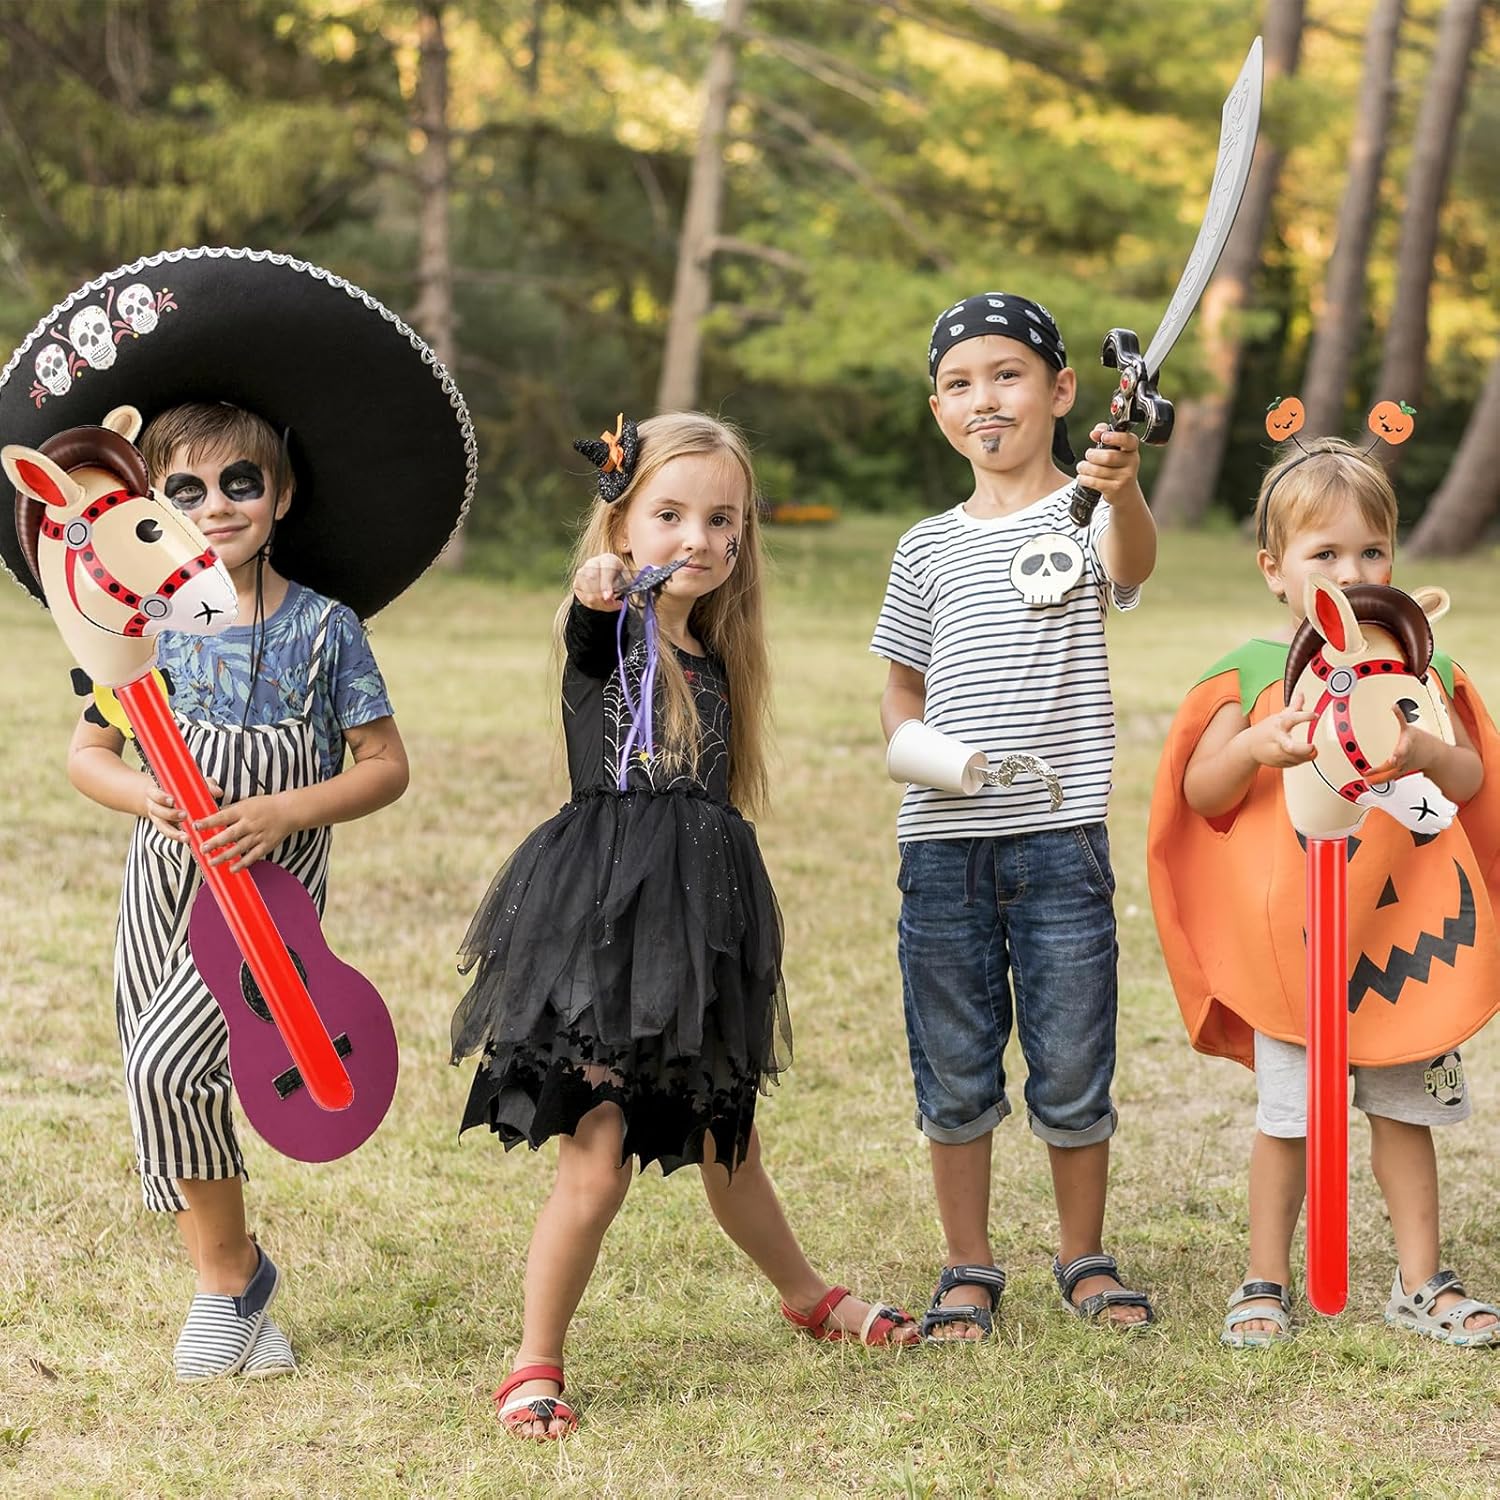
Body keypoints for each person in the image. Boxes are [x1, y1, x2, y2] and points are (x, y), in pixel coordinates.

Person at [0, 247, 473, 1381]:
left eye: (241, 484)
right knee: (156, 1067)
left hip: (266, 888)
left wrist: (283, 811)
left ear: (283, 494)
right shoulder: (135, 630)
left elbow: (385, 767)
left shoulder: (323, 628)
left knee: (176, 1065)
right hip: (163, 879)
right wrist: (148, 796)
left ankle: (229, 1283)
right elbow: (88, 756)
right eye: (185, 491)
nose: (216, 508)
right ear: (147, 508)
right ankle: (233, 1283)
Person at [452, 410, 918, 1441]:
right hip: (605, 931)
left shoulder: (713, 654)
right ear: (622, 524)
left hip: (698, 929)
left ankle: (806, 1296)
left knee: (728, 1142)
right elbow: (587, 620)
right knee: (599, 1154)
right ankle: (533, 1362)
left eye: (722, 520)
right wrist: (601, 589)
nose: (697, 538)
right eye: (668, 515)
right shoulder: (613, 631)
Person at [1148, 436, 1500, 1347]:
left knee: (1406, 1113)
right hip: (1294, 951)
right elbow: (1203, 794)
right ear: (1275, 570)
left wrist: (1425, 749)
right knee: (1290, 1118)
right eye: (1325, 553)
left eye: (1372, 551)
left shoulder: (1421, 667)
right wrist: (1255, 747)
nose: (1352, 573)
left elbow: (1469, 778)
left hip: (1401, 939)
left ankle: (1422, 1282)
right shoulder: (1254, 674)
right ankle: (1265, 1279)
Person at [870, 292, 1158, 1340]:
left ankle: (1084, 1256)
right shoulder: (924, 547)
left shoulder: (1088, 513)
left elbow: (1131, 564)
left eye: (1007, 375)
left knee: (1073, 1057)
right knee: (953, 1061)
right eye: (959, 383)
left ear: (1061, 390)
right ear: (937, 409)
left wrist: (1122, 488)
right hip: (943, 845)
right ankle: (968, 1264)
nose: (983, 399)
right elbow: (901, 690)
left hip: (1060, 841)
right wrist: (925, 754)